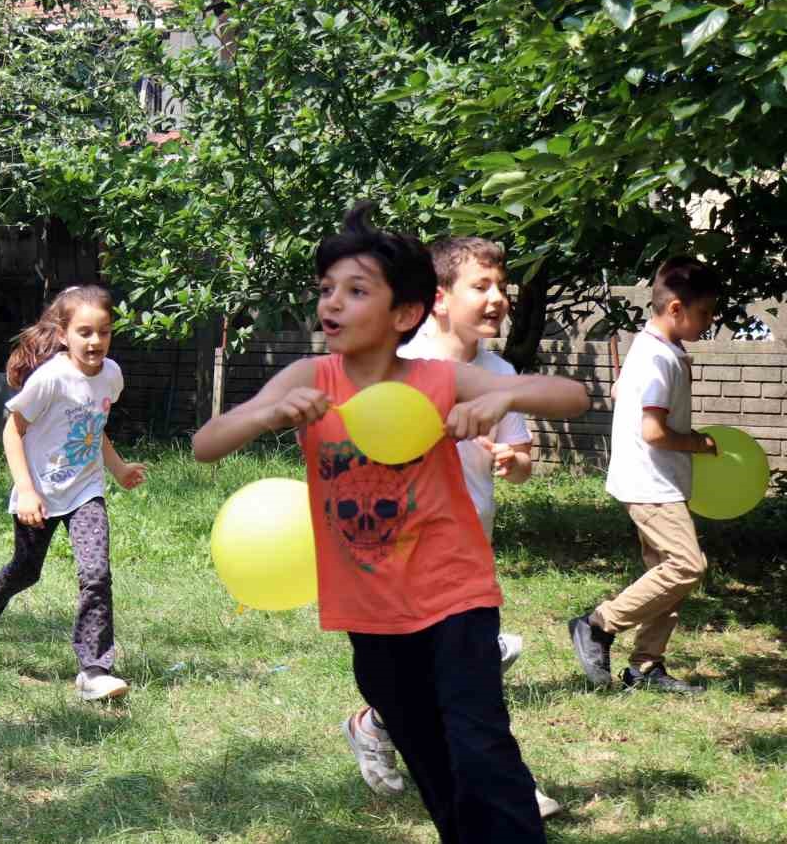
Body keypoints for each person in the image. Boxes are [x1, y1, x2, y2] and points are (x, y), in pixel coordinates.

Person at [192, 203, 588, 842]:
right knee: (430, 759)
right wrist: (267, 415)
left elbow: (575, 397)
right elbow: (205, 444)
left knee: (480, 748)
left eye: (355, 291)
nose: (333, 303)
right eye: (327, 290)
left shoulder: (434, 379)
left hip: (454, 594)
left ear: (404, 314)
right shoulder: (308, 376)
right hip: (370, 609)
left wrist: (502, 396)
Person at [340, 236, 560, 818]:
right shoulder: (401, 366)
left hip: (470, 549)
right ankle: (506, 786)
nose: (498, 298)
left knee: (455, 670)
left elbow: (521, 459)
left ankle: (378, 725)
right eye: (481, 287)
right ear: (438, 299)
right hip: (406, 550)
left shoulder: (500, 372)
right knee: (456, 674)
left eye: (502, 287)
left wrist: (515, 463)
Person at [0, 285, 147, 702]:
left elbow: (93, 428)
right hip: (40, 492)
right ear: (63, 335)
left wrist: (117, 469)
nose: (95, 341)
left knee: (96, 573)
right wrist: (26, 490)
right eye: (85, 332)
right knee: (26, 571)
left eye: (104, 332)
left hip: (85, 490)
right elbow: (13, 429)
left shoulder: (112, 375)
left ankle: (94, 669)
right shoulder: (51, 379)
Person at [567, 255, 721, 695]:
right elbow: (653, 432)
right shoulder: (657, 358)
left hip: (658, 480)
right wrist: (699, 443)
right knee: (686, 566)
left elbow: (624, 393)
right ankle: (597, 625)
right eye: (705, 312)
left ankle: (646, 667)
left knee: (663, 575)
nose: (709, 321)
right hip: (651, 482)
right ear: (676, 308)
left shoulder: (656, 350)